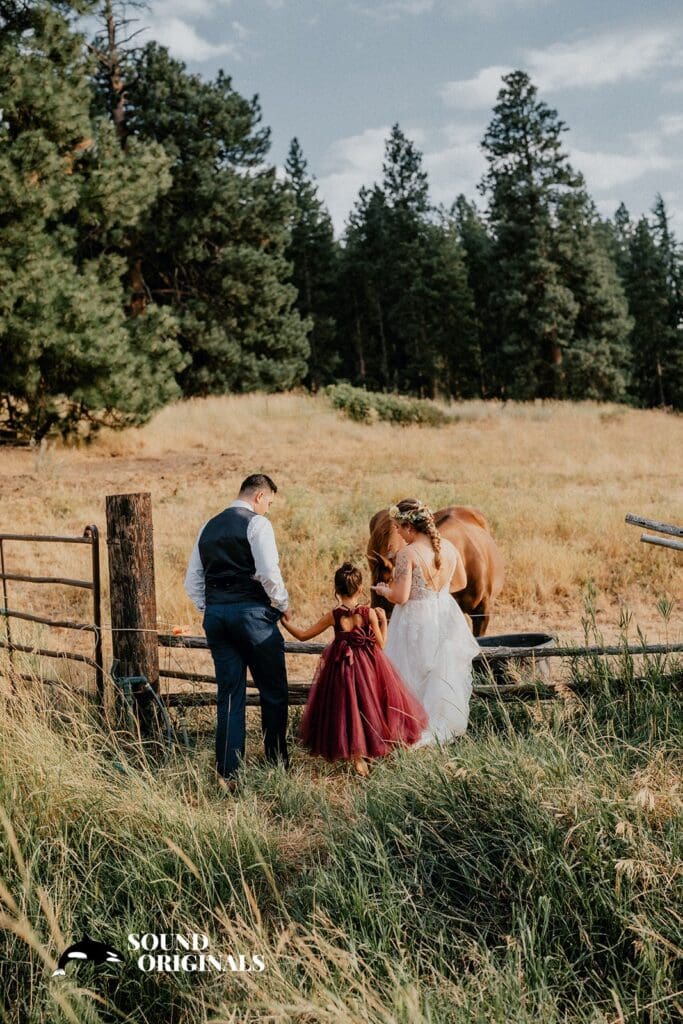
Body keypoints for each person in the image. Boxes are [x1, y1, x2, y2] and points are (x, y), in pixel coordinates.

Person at [184, 473, 290, 788]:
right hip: (253, 616)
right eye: (269, 502)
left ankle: (228, 773)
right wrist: (281, 605)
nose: (268, 508)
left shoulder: (208, 526)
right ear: (260, 495)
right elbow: (269, 572)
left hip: (217, 617)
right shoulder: (258, 524)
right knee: (273, 691)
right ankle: (276, 762)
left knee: (229, 694)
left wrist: (211, 608)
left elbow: (192, 581)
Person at [282, 562, 428, 776]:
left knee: (345, 708)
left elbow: (304, 635)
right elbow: (381, 644)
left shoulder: (334, 615)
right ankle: (372, 748)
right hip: (369, 666)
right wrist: (383, 623)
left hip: (341, 667)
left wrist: (284, 623)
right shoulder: (368, 613)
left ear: (336, 591)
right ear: (361, 589)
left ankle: (357, 756)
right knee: (371, 705)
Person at [372, 499, 480, 744]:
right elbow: (461, 583)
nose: (397, 532)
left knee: (408, 671)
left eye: (399, 527)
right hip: (444, 613)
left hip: (415, 619)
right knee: (439, 671)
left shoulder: (407, 554)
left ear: (410, 526)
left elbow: (400, 597)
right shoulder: (449, 548)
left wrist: (383, 590)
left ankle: (409, 728)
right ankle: (438, 726)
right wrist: (436, 592)